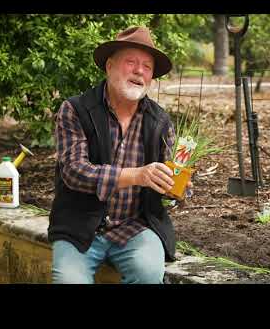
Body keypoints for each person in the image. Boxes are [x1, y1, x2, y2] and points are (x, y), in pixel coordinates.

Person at [48, 26, 190, 284]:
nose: (139, 71)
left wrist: (174, 187)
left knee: (148, 274)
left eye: (147, 67)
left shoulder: (160, 121)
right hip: (79, 227)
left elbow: (165, 180)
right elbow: (74, 171)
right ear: (109, 66)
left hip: (135, 227)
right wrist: (137, 175)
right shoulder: (75, 110)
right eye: (131, 62)